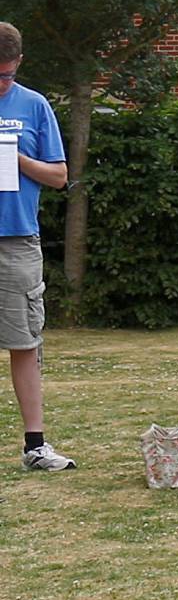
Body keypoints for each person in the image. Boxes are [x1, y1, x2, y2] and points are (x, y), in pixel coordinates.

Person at [0, 24, 74, 472]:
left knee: (24, 342)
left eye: (6, 76)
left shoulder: (35, 106)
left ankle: (35, 445)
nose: (0, 84)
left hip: (17, 239)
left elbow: (60, 176)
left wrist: (16, 158)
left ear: (19, 64)